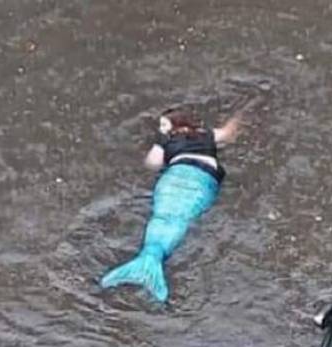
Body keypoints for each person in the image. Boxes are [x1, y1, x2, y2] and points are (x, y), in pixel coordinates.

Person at [100, 106, 243, 303]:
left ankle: (148, 257)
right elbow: (228, 133)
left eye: (163, 125)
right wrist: (240, 115)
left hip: (174, 177)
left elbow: (152, 164)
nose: (161, 129)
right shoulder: (206, 135)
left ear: (177, 125)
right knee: (181, 218)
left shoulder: (166, 140)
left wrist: (159, 145)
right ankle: (151, 261)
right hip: (203, 181)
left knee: (162, 214)